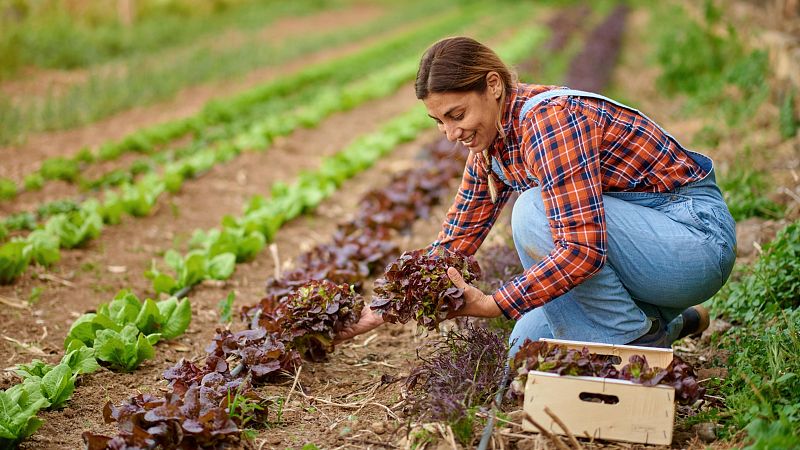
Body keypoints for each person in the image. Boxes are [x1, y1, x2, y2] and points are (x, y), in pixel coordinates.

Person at [336, 36, 736, 354]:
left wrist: (494, 304)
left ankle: (635, 345)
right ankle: (669, 324)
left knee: (533, 210)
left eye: (457, 115)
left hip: (692, 243)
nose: (451, 133)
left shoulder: (550, 120)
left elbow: (582, 250)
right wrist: (379, 310)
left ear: (493, 85)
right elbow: (452, 246)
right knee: (525, 346)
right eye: (439, 121)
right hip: (643, 252)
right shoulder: (490, 147)